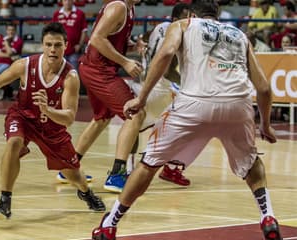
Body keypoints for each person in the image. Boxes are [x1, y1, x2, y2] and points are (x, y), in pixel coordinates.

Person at [92, 1, 281, 240]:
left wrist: (141, 98)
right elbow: (264, 88)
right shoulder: (239, 34)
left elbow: (166, 54)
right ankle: (268, 216)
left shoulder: (183, 24)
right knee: (252, 164)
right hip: (238, 104)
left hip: (194, 103)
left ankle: (110, 224)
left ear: (192, 13)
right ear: (217, 14)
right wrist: (265, 125)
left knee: (149, 164)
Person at [0, 22, 106, 220]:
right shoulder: (25, 65)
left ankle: (85, 192)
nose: (53, 49)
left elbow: (69, 117)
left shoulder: (70, 77)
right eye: (49, 44)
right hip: (22, 116)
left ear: (66, 45)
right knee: (14, 142)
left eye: (58, 45)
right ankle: (5, 201)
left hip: (52, 127)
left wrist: (47, 109)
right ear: (42, 45)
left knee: (73, 175)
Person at [56, 0, 145, 193]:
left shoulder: (129, 8)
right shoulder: (119, 7)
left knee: (101, 119)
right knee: (135, 113)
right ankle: (116, 174)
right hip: (99, 70)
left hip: (94, 68)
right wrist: (126, 62)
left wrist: (132, 45)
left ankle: (69, 167)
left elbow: (111, 40)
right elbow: (97, 38)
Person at [124, 3, 191, 186]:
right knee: (185, 125)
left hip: (144, 84)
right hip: (160, 89)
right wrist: (190, 81)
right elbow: (168, 72)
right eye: (187, 18)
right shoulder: (177, 33)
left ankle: (128, 169)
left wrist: (141, 44)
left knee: (134, 128)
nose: (190, 21)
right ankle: (170, 168)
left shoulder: (160, 26)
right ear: (176, 19)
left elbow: (144, 37)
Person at [52, 0, 88, 70]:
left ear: (73, 1)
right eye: (65, 0)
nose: (67, 2)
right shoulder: (56, 14)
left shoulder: (80, 13)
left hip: (74, 50)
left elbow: (84, 31)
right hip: (60, 50)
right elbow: (53, 31)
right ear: (62, 2)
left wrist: (80, 45)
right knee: (60, 73)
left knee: (73, 72)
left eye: (69, 0)